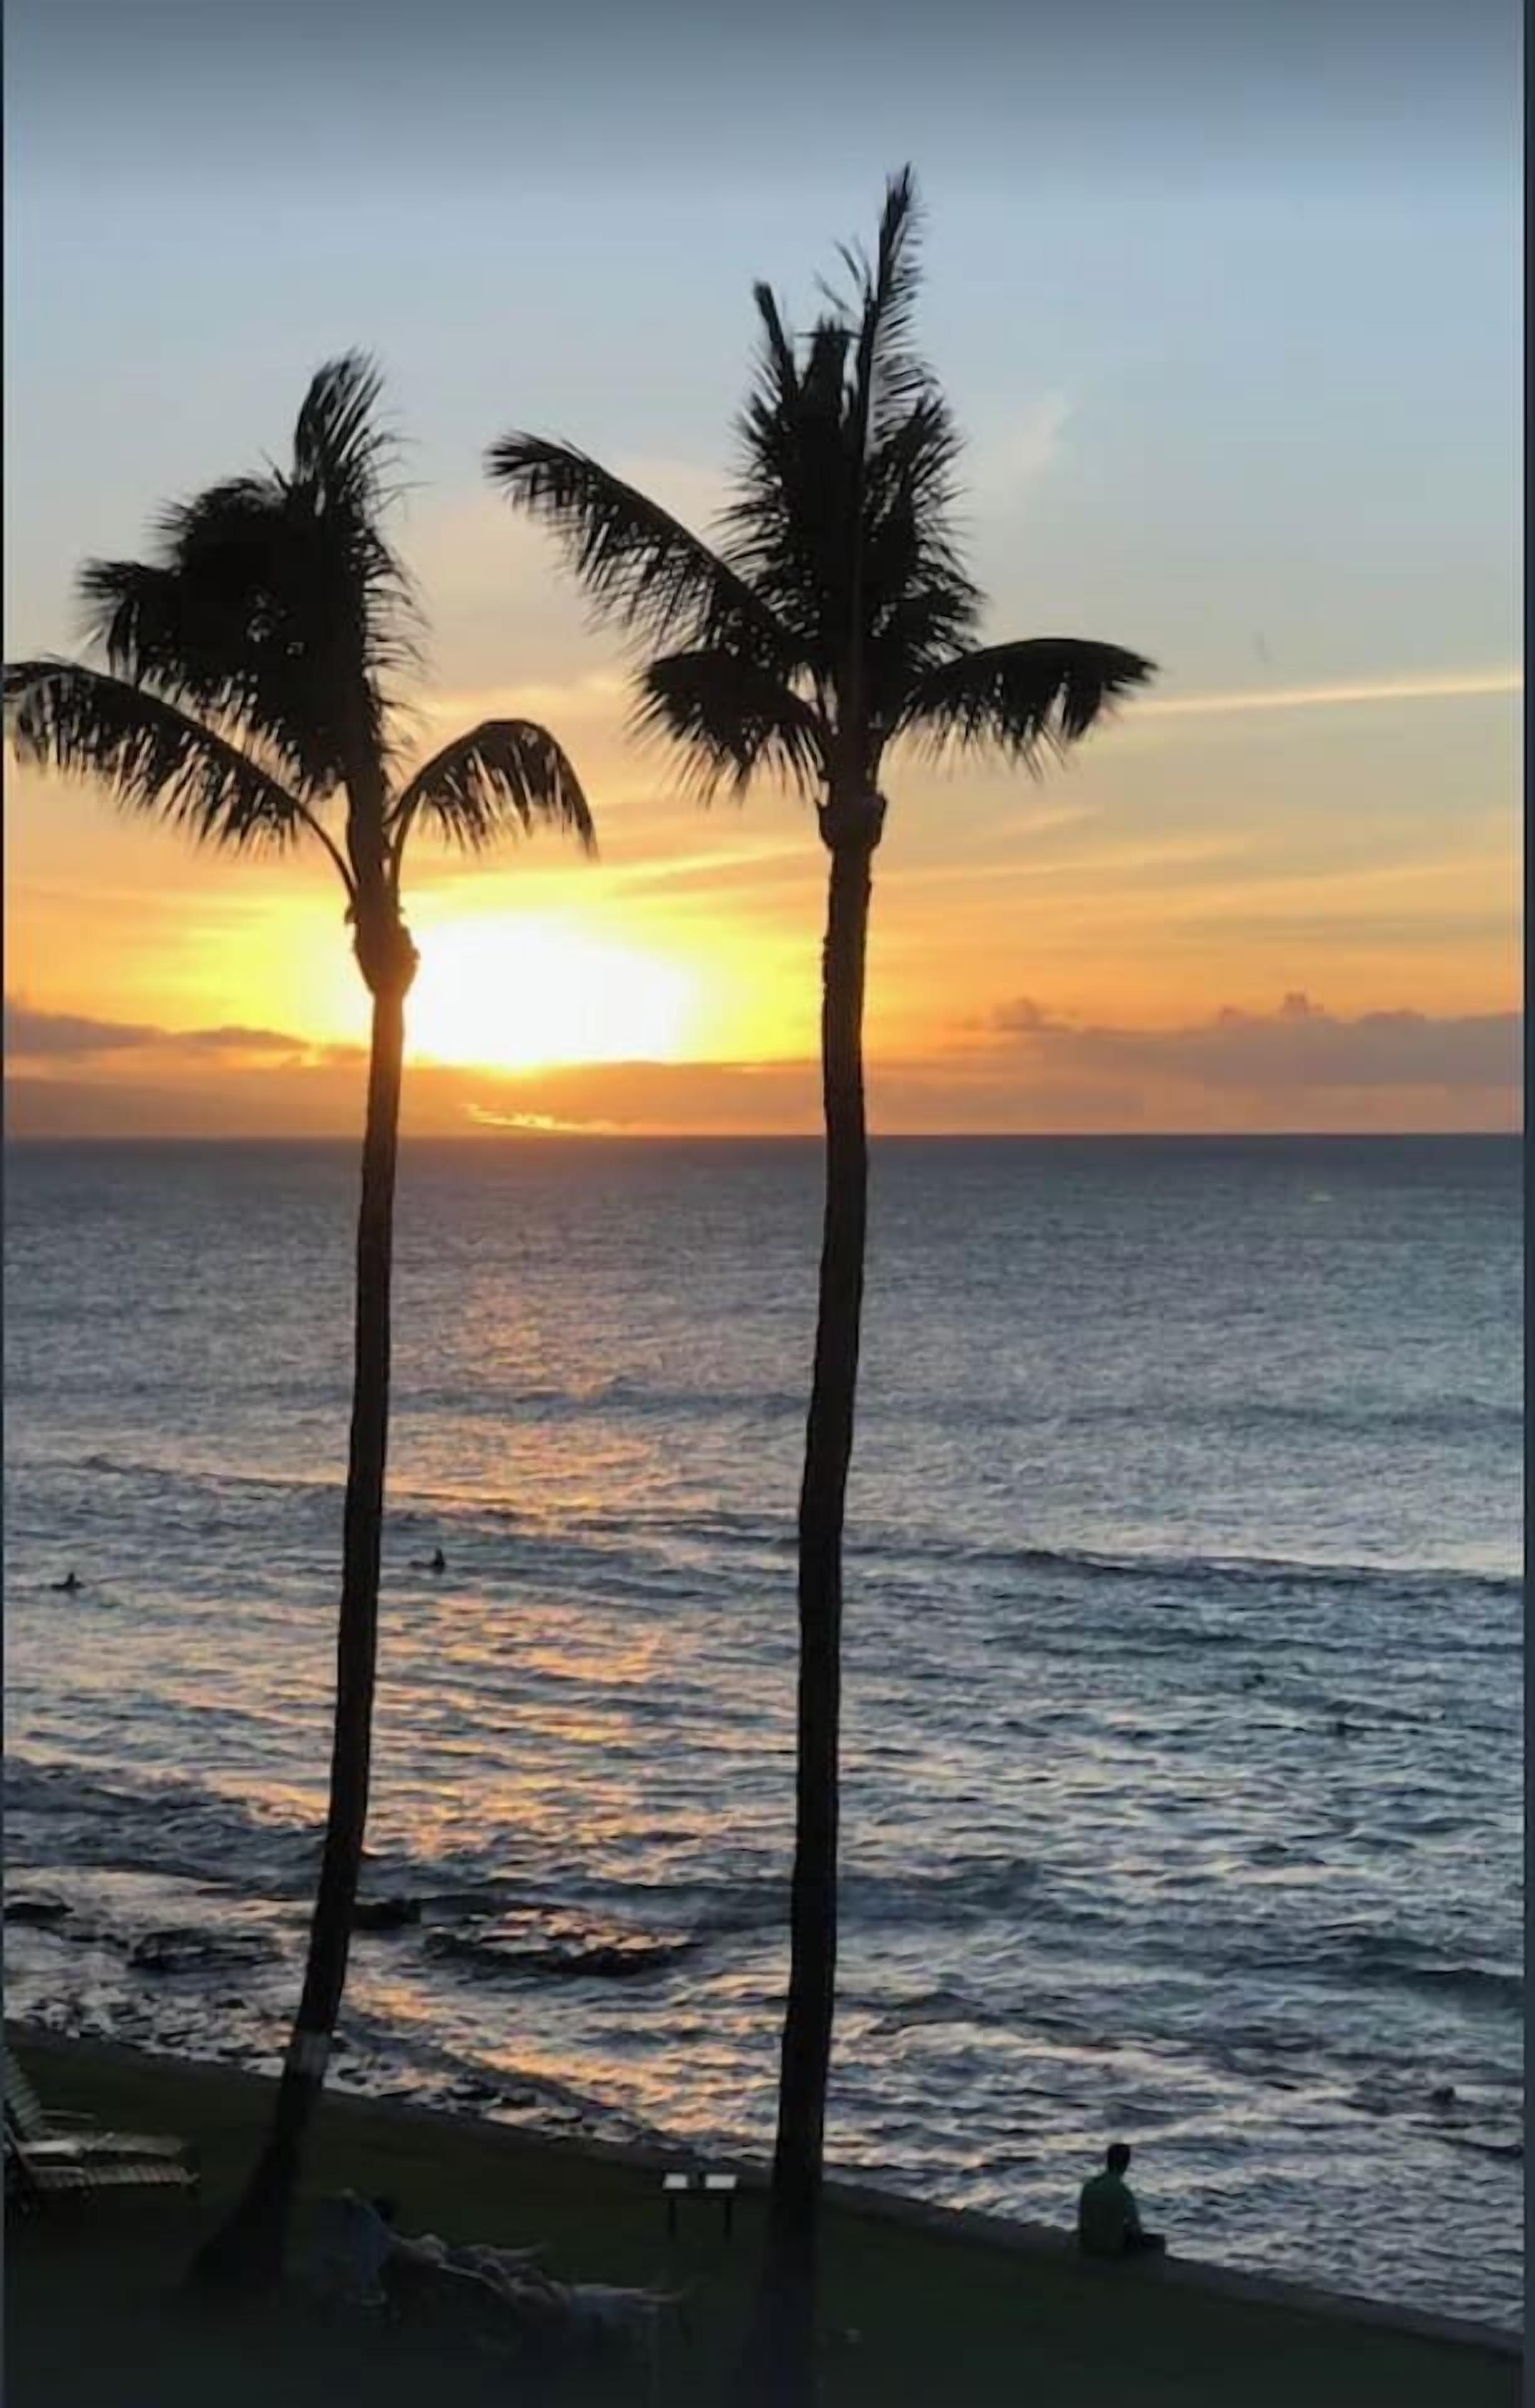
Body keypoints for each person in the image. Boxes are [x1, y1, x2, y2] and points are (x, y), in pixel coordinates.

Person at [1077, 2141, 1165, 2259]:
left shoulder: (1089, 2186)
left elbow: (1082, 2220)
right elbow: (1135, 2228)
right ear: (1126, 2164)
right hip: (1111, 2249)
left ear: (1108, 2161)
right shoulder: (1123, 2192)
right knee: (1159, 2241)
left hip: (1088, 2245)